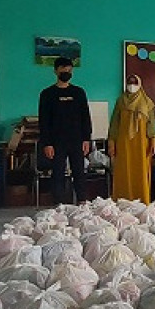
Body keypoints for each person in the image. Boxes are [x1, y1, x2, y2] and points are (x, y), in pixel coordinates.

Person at [37, 56, 92, 205]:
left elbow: (85, 117)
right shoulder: (47, 94)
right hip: (56, 142)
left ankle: (82, 202)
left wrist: (86, 139)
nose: (66, 72)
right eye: (63, 70)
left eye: (69, 70)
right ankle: (59, 204)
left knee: (79, 172)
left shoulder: (79, 92)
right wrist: (46, 143)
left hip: (77, 140)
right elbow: (44, 121)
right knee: (58, 174)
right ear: (56, 71)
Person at [108, 74, 155, 203]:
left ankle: (142, 200)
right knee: (123, 172)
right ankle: (122, 200)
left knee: (140, 173)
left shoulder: (147, 102)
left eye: (135, 83)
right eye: (129, 82)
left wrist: (153, 141)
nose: (132, 85)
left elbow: (151, 124)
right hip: (123, 144)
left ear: (140, 85)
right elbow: (114, 124)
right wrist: (111, 142)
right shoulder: (120, 101)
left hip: (142, 144)